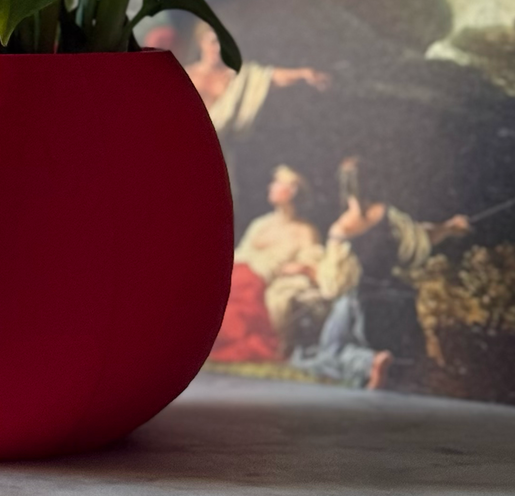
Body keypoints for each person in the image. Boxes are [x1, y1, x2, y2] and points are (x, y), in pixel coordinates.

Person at [293, 156, 471, 390]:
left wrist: (309, 270)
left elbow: (334, 285)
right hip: (395, 300)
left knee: (326, 352)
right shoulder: (390, 216)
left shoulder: (342, 228)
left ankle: (370, 363)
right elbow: (420, 237)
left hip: (360, 303)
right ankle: (375, 367)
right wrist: (449, 227)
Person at [211, 166, 326, 362]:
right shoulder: (260, 223)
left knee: (236, 298)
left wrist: (299, 268)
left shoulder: (304, 230)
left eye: (278, 183)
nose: (271, 187)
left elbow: (313, 263)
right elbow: (239, 253)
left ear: (292, 192)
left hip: (258, 277)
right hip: (238, 270)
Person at [182, 24, 330, 140]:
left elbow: (268, 77)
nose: (218, 48)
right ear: (201, 42)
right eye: (213, 42)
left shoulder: (238, 77)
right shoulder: (183, 75)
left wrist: (302, 74)